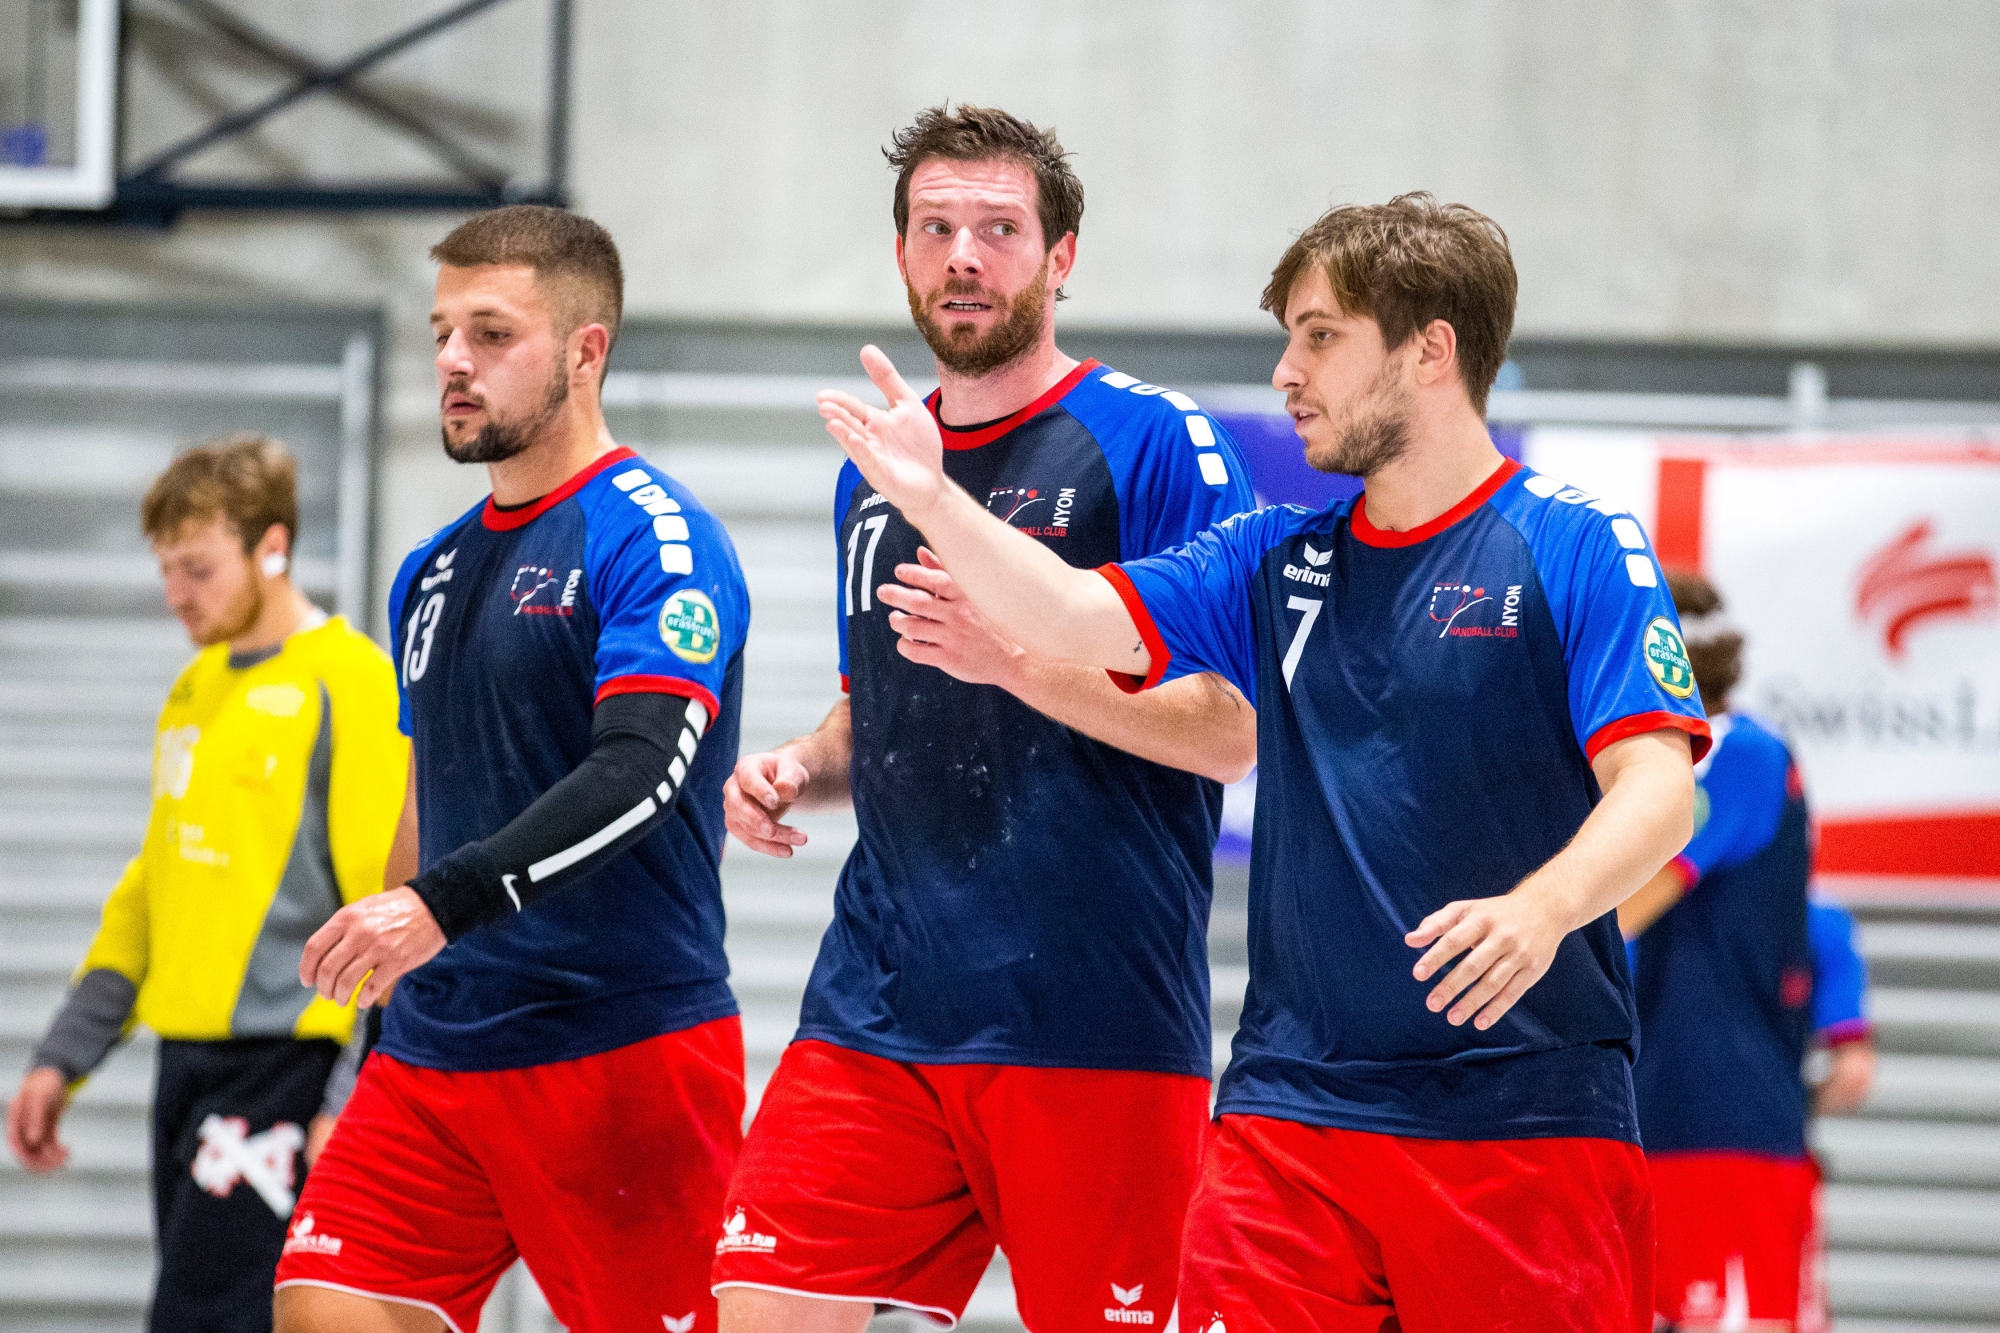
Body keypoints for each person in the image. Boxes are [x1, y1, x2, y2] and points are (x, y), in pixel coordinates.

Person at [817, 192, 1710, 1332]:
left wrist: (1541, 909)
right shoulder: (1274, 557)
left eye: (1320, 334)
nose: (1286, 370)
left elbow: (1659, 788)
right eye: (1288, 335)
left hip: (1521, 1116)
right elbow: (1073, 616)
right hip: (1289, 1116)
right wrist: (930, 495)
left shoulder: (1571, 540)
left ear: (1429, 350)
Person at [713, 104, 1257, 1333]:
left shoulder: (1150, 441)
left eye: (998, 228)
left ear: (1060, 257)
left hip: (1091, 1016)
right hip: (881, 1000)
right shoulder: (872, 468)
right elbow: (883, 704)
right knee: (753, 1306)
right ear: (902, 255)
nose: (964, 254)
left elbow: (1231, 730)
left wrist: (1023, 667)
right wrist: (803, 762)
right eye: (935, 227)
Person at [272, 205, 751, 1333]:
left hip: (618, 1048)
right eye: (442, 332)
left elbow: (643, 768)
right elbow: (424, 804)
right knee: (321, 1305)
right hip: (435, 1052)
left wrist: (440, 905)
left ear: (585, 351)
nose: (450, 361)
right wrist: (372, 1023)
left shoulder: (654, 537)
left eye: (490, 334)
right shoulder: (428, 572)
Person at [5, 436, 407, 1333]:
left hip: (284, 1070)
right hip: (185, 1067)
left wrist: (353, 1093)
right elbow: (156, 888)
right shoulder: (193, 689)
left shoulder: (349, 682)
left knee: (215, 1317)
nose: (176, 595)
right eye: (166, 570)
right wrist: (63, 1055)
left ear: (273, 547)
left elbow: (390, 908)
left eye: (197, 568)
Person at [1620, 569, 1875, 1333]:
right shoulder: (1653, 766)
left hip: (1726, 1126)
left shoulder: (1738, 755)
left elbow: (1634, 896)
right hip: (1654, 1120)